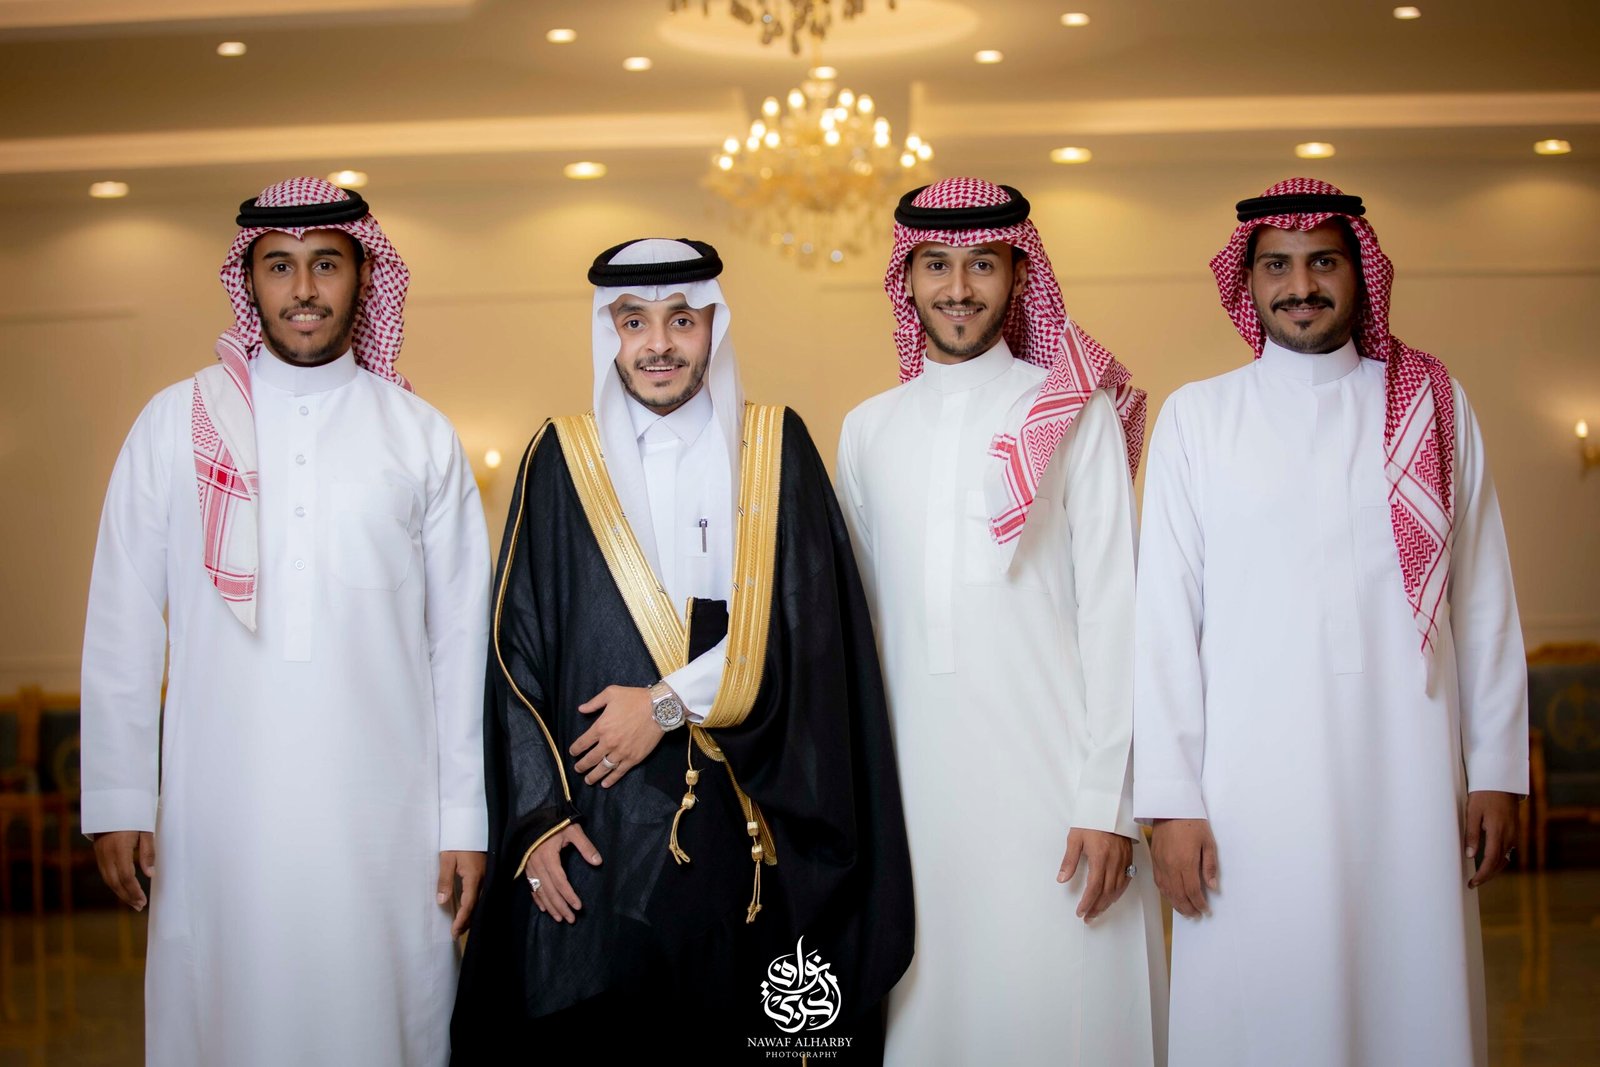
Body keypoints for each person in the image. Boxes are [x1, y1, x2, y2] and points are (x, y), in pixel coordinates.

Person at [451, 237, 912, 1063]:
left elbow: (810, 629)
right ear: (610, 332)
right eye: (634, 321)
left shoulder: (773, 448)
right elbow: (513, 651)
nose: (658, 343)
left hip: (748, 820)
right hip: (599, 826)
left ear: (713, 328)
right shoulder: (561, 457)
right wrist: (537, 820)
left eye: (681, 320)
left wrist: (662, 705)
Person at [80, 176, 491, 1066]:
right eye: (280, 266)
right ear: (249, 280)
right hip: (217, 808)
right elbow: (121, 613)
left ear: (363, 278)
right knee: (226, 1014)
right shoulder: (175, 423)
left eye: (325, 264)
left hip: (386, 815)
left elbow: (461, 643)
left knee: (380, 1016)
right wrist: (117, 795)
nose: (304, 289)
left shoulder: (419, 434)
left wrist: (465, 818)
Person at [1134, 177, 1528, 1067]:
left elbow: (1484, 594)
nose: (1300, 285)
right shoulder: (1199, 417)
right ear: (1247, 282)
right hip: (1245, 790)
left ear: (1361, 272)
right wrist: (1169, 802)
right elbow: (1163, 624)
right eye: (1277, 266)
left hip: (1408, 773)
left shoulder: (1430, 407)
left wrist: (1499, 769)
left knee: (1412, 998)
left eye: (1323, 262)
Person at [836, 177, 1167, 1066]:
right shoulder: (866, 431)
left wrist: (1109, 802)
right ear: (906, 280)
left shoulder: (1072, 412)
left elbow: (1116, 611)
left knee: (1061, 1013)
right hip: (916, 800)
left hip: (1055, 792)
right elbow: (859, 631)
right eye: (936, 265)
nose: (958, 288)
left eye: (982, 264)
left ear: (1020, 275)